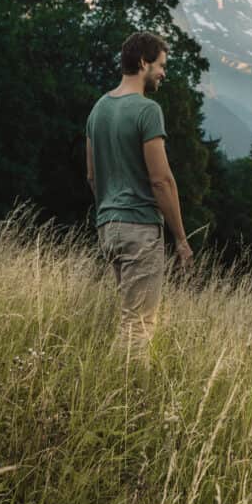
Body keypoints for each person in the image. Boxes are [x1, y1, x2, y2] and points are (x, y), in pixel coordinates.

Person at [86, 31, 193, 358]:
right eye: (160, 65)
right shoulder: (148, 111)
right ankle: (130, 400)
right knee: (140, 325)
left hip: (108, 226)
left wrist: (110, 210)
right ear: (143, 63)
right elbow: (161, 180)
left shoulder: (98, 110)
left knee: (129, 318)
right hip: (140, 228)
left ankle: (115, 392)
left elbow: (92, 175)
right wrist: (181, 238)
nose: (163, 73)